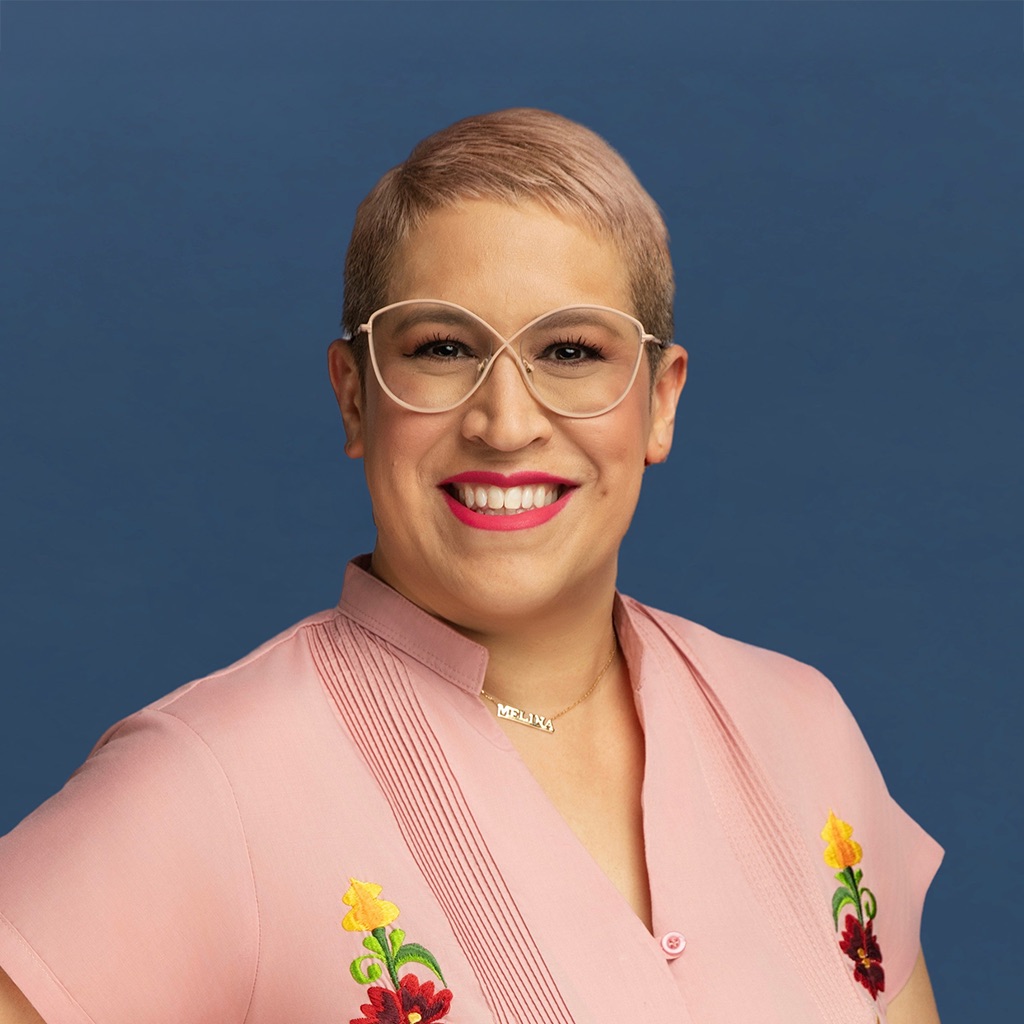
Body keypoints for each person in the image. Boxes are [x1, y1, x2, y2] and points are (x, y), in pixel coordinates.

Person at [0, 109, 941, 1024]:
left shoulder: (798, 732)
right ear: (354, 397)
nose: (506, 422)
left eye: (570, 351)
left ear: (660, 401)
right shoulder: (204, 786)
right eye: (443, 349)